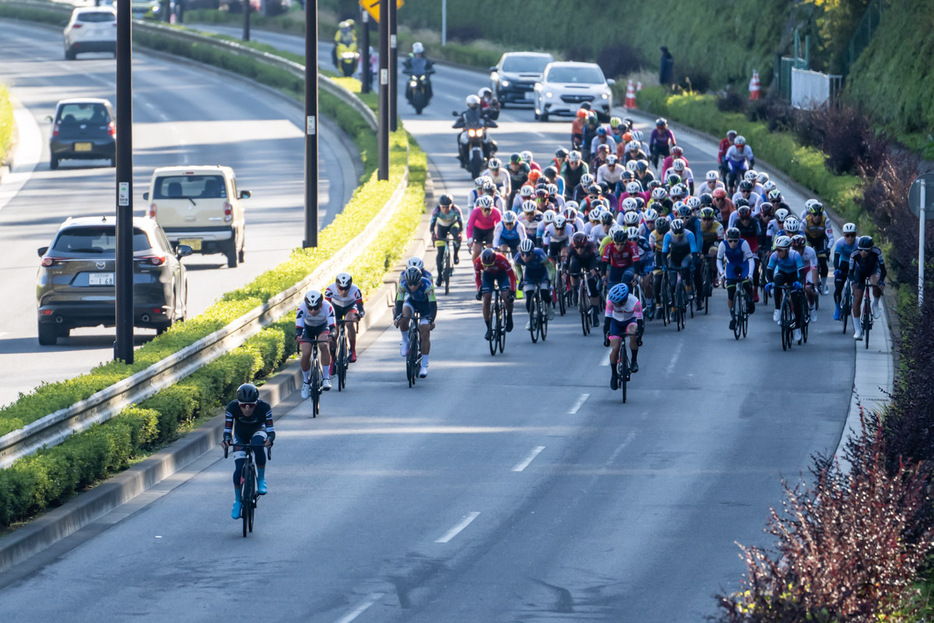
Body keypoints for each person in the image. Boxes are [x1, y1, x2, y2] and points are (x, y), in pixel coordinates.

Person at [222, 383, 275, 520]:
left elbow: (270, 430)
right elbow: (227, 430)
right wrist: (227, 440)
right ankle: (238, 500)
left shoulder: (264, 407)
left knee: (258, 445)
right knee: (239, 468)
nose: (247, 409)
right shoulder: (232, 407)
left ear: (256, 403)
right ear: (238, 404)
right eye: (243, 405)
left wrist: (269, 439)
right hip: (240, 435)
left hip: (258, 430)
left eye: (251, 405)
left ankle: (261, 479)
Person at [394, 266, 437, 377]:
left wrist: (431, 320)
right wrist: (397, 317)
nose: (412, 287)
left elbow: (433, 306)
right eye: (410, 284)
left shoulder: (427, 285)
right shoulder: (402, 285)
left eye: (415, 284)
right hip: (412, 303)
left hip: (425, 308)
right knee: (404, 317)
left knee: (425, 332)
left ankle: (424, 366)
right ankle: (405, 340)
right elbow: (399, 303)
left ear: (420, 281)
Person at [765, 235, 806, 342]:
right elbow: (769, 271)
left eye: (780, 250)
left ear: (788, 249)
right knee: (777, 282)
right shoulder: (774, 256)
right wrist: (769, 282)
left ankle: (797, 327)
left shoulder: (795, 255)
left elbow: (801, 272)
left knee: (795, 300)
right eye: (776, 249)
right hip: (782, 273)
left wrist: (799, 282)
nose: (777, 252)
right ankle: (778, 308)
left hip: (793, 275)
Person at [604, 283, 644, 391]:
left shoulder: (635, 302)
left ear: (624, 300)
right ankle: (614, 374)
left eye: (617, 303)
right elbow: (607, 321)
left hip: (630, 321)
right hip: (615, 323)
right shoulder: (610, 302)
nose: (614, 304)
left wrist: (639, 337)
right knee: (615, 347)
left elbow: (640, 322)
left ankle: (634, 360)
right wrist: (606, 337)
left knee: (632, 333)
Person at [296, 289, 336, 394]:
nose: (313, 311)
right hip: (307, 329)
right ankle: (306, 381)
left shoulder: (328, 307)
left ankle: (326, 378)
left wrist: (332, 335)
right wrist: (298, 335)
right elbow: (299, 328)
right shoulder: (301, 307)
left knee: (323, 344)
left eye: (316, 308)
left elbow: (333, 327)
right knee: (305, 353)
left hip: (322, 327)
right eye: (310, 308)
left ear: (321, 305)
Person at [717, 227, 757, 330]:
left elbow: (751, 260)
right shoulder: (723, 245)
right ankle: (732, 317)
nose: (733, 243)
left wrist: (750, 274)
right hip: (731, 266)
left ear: (739, 239)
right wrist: (722, 274)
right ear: (727, 239)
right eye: (730, 241)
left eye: (735, 241)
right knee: (730, 292)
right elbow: (719, 261)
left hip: (743, 265)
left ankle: (750, 299)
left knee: (746, 283)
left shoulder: (744, 243)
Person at [474, 247, 517, 339]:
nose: (488, 267)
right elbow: (477, 278)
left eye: (490, 265)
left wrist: (512, 292)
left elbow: (512, 277)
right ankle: (488, 328)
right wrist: (479, 291)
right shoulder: (477, 262)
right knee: (486, 298)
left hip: (502, 274)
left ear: (495, 260)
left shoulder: (502, 260)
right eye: (485, 266)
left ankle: (509, 316)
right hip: (487, 276)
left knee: (506, 296)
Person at [849, 235, 886, 340]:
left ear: (871, 249)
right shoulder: (854, 254)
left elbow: (883, 270)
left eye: (866, 250)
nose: (863, 253)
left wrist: (881, 281)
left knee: (876, 283)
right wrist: (853, 282)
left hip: (873, 270)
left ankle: (875, 304)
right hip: (859, 272)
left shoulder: (877, 252)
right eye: (861, 250)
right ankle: (858, 330)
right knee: (857, 300)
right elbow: (850, 272)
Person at [324, 272, 365, 364]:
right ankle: (333, 358)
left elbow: (360, 308)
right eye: (341, 288)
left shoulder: (356, 290)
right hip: (335, 308)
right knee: (334, 331)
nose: (343, 291)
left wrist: (359, 315)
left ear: (350, 286)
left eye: (346, 289)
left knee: (349, 323)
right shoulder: (329, 289)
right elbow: (326, 308)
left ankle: (352, 350)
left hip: (350, 307)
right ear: (336, 286)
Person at [514, 238, 555, 328]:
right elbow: (518, 269)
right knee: (529, 297)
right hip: (529, 275)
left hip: (542, 274)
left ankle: (549, 305)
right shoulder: (517, 257)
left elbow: (551, 268)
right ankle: (531, 319)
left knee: (544, 293)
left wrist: (550, 281)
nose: (525, 257)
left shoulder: (540, 255)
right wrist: (520, 279)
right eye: (523, 254)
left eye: (528, 254)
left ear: (532, 252)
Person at [453, 94, 497, 169]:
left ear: (478, 104)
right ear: (468, 104)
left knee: (489, 141)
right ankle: (462, 156)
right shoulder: (464, 114)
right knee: (460, 136)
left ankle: (490, 156)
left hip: (479, 131)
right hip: (469, 132)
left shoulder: (482, 114)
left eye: (475, 104)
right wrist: (459, 124)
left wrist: (490, 123)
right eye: (471, 104)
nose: (473, 105)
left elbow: (489, 120)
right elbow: (457, 122)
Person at [800, 199, 834, 294]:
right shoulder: (805, 221)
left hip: (821, 239)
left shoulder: (826, 221)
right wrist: (805, 246)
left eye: (819, 214)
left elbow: (831, 238)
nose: (817, 217)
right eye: (815, 214)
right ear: (811, 214)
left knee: (823, 262)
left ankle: (823, 286)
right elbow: (800, 234)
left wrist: (828, 248)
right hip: (809, 239)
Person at [430, 194, 464, 278]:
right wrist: (433, 234)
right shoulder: (436, 211)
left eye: (447, 207)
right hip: (441, 227)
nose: (445, 209)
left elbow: (461, 223)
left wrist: (459, 233)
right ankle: (439, 275)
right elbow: (432, 224)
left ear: (451, 205)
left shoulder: (456, 209)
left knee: (456, 236)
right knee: (440, 252)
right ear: (440, 206)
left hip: (453, 225)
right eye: (443, 207)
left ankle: (455, 254)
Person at [831, 223, 859, 320]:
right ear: (844, 235)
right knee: (838, 289)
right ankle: (838, 309)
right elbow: (836, 257)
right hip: (843, 264)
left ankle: (854, 302)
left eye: (852, 235)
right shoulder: (840, 243)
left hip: (855, 265)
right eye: (847, 235)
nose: (850, 238)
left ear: (855, 235)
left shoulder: (859, 243)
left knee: (857, 287)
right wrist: (837, 269)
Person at [466, 195, 502, 263]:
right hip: (478, 230)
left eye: (489, 209)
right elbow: (470, 226)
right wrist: (470, 238)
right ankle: (475, 267)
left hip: (490, 230)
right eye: (484, 209)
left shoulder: (497, 212)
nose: (487, 212)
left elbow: (499, 229)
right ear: (480, 208)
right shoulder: (475, 211)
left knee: (490, 248)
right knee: (477, 250)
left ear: (492, 208)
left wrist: (498, 243)